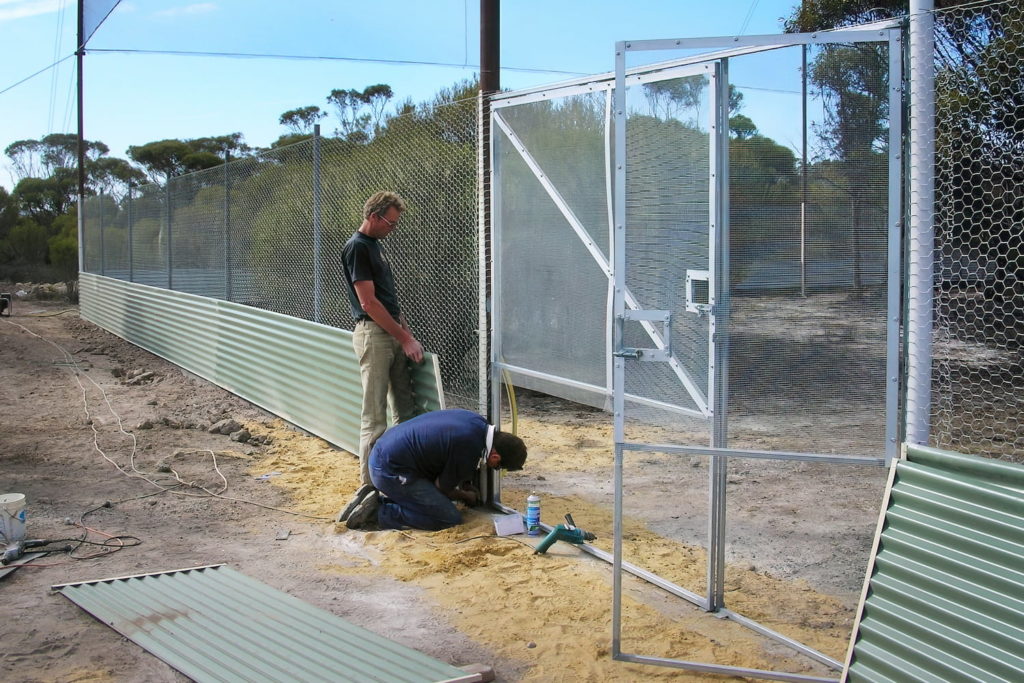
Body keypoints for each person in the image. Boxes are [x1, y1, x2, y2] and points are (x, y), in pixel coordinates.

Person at [341, 191, 424, 493]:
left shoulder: (375, 246)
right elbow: (369, 304)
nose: (393, 229)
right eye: (390, 223)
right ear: (374, 217)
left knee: (404, 410)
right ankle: (370, 486)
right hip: (373, 335)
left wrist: (406, 334)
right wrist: (405, 338)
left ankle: (401, 475)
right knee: (375, 416)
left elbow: (389, 300)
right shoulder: (357, 248)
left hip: (391, 333)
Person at [342, 409, 528, 531]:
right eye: (498, 467)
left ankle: (373, 500)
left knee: (432, 501)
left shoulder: (476, 422)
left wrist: (463, 483)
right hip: (388, 470)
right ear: (495, 457)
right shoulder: (469, 446)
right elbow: (442, 487)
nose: (494, 469)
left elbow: (446, 455)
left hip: (385, 455)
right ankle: (378, 514)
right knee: (448, 517)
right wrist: (465, 496)